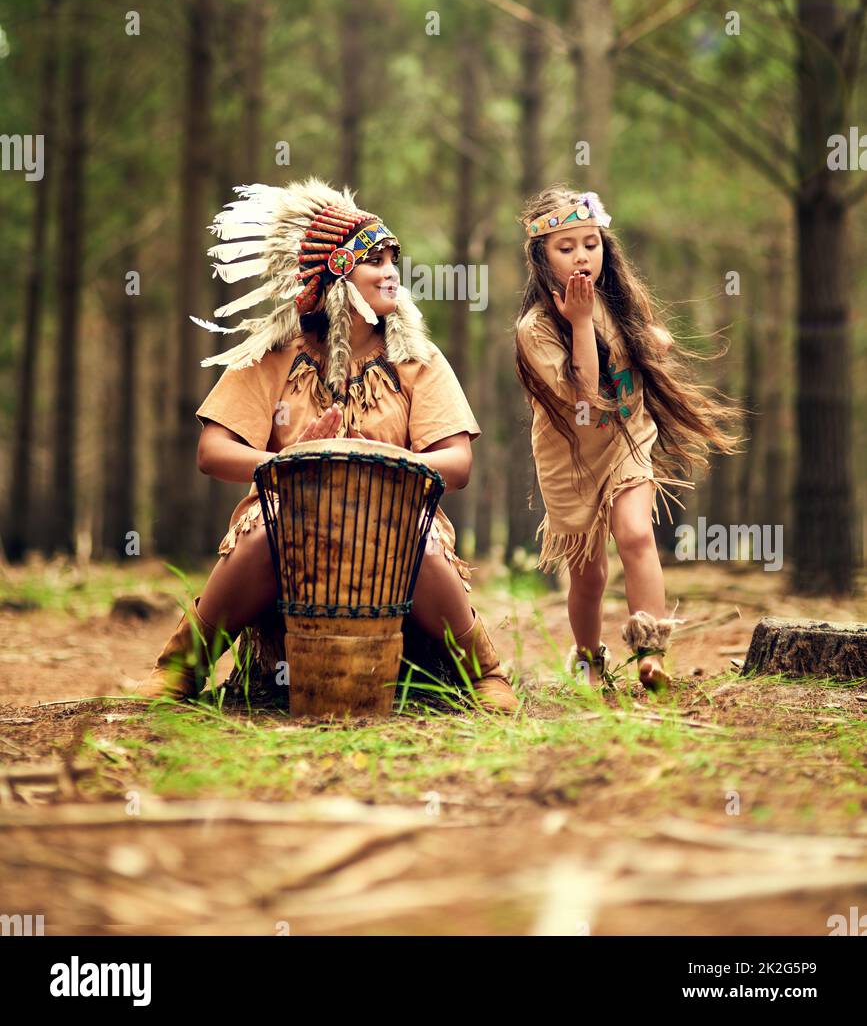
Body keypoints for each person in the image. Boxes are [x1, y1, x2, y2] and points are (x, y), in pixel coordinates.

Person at [139, 176, 518, 714]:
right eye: (375, 260)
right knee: (262, 535)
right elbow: (213, 450)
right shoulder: (274, 355)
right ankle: (180, 668)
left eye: (394, 258)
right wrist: (290, 464)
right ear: (336, 275)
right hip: (288, 518)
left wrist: (387, 464)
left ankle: (486, 674)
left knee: (417, 539)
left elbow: (457, 464)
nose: (392, 272)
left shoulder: (419, 360)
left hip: (396, 520)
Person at [514, 186, 742, 691]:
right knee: (589, 574)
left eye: (590, 243)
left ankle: (652, 651)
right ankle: (589, 661)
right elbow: (586, 395)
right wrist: (577, 323)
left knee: (636, 535)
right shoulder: (535, 329)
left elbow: (647, 339)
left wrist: (651, 342)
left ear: (604, 246)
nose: (581, 256)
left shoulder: (617, 299)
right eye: (565, 246)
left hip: (625, 437)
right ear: (540, 257)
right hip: (569, 455)